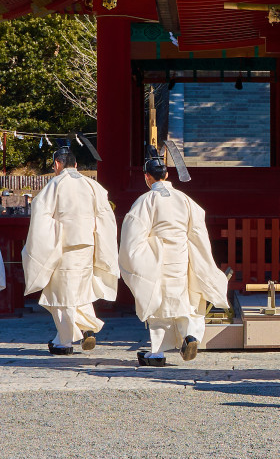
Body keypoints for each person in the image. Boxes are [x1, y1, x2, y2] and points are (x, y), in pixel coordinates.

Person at [120, 148, 229, 366]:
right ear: (167, 175)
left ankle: (158, 353)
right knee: (185, 300)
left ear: (147, 177)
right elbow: (198, 233)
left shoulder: (146, 201)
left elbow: (133, 235)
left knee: (158, 304)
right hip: (182, 257)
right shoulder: (186, 200)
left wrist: (136, 258)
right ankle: (190, 336)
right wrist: (201, 258)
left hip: (157, 259)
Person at [23, 143, 118, 355]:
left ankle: (76, 335)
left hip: (63, 245)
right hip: (87, 245)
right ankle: (72, 335)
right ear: (75, 164)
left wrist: (46, 243)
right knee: (80, 291)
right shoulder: (93, 186)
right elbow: (105, 217)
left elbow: (40, 216)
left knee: (61, 293)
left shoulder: (55, 185)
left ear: (57, 164)